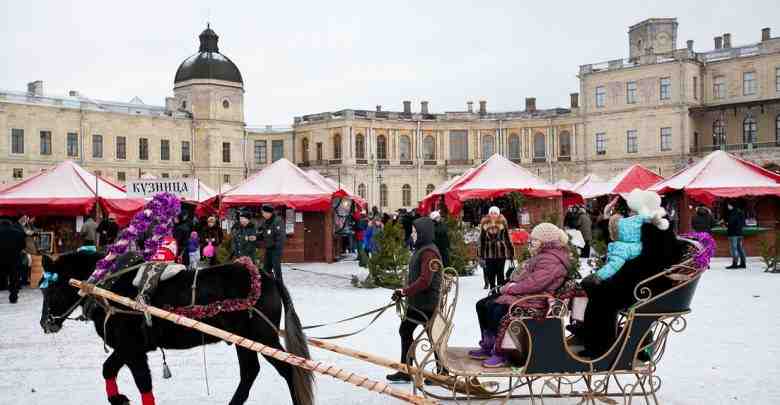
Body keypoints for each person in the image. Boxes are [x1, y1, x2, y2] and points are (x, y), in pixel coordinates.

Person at [469, 223, 570, 368]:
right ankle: (489, 344)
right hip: (529, 294)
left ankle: (501, 352)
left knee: (497, 309)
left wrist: (511, 288)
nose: (531, 242)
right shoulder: (542, 256)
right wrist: (511, 282)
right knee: (483, 305)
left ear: (546, 241)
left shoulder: (551, 260)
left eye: (535, 240)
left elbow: (534, 283)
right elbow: (527, 278)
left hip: (538, 299)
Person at [387, 217, 443, 382]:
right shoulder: (422, 249)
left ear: (423, 233)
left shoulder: (429, 252)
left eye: (414, 232)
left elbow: (425, 280)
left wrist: (405, 291)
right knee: (410, 331)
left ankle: (440, 370)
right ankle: (408, 369)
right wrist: (405, 292)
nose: (412, 234)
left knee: (418, 333)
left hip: (426, 303)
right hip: (419, 302)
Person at [584, 190, 669, 284]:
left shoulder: (649, 227)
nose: (629, 213)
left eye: (631, 210)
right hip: (635, 280)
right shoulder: (637, 224)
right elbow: (616, 240)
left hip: (644, 282)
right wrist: (607, 217)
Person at [479, 206, 514, 290]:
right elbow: (482, 240)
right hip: (488, 253)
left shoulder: (503, 223)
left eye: (495, 213)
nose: (493, 214)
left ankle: (499, 290)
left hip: (501, 252)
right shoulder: (484, 224)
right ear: (489, 214)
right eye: (491, 213)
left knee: (500, 273)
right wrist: (481, 254)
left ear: (498, 214)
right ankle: (492, 289)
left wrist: (511, 252)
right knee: (490, 273)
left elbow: (507, 238)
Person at [0, 219, 26, 303]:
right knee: (14, 278)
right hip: (14, 259)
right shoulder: (18, 232)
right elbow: (23, 246)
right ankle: (13, 296)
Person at [260, 204, 286, 281]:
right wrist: (256, 237)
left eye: (263, 212)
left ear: (269, 213)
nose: (263, 214)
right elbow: (263, 234)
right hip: (269, 249)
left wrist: (276, 248)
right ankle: (269, 285)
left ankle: (280, 286)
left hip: (276, 250)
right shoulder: (265, 222)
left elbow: (281, 237)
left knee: (276, 269)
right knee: (266, 269)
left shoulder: (277, 221)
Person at [725, 202, 746, 269]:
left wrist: (726, 223)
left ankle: (735, 264)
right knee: (740, 248)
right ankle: (743, 263)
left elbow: (731, 222)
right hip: (740, 233)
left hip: (733, 233)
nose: (728, 207)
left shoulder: (733, 212)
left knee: (734, 248)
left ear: (732, 206)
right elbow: (743, 223)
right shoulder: (741, 212)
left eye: (729, 205)